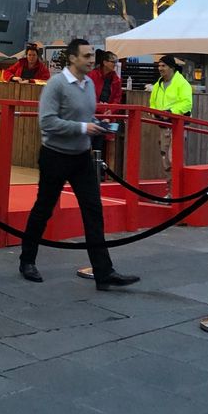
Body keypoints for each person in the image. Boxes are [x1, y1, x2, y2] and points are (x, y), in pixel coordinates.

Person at [18, 38, 140, 291]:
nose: (91, 60)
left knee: (93, 211)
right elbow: (47, 122)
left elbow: (85, 115)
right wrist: (84, 127)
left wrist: (97, 124)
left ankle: (103, 272)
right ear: (72, 58)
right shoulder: (56, 85)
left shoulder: (88, 85)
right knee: (44, 208)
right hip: (55, 155)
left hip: (81, 156)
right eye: (86, 56)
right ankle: (27, 260)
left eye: (91, 56)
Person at [149, 55, 193, 178]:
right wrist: (154, 112)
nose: (160, 68)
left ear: (172, 68)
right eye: (159, 66)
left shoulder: (182, 83)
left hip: (178, 126)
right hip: (163, 125)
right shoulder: (158, 84)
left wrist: (170, 112)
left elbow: (187, 103)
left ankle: (180, 187)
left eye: (163, 66)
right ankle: (171, 187)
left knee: (175, 158)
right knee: (166, 160)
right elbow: (152, 102)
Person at [88, 50, 122, 157]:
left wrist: (110, 112)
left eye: (116, 62)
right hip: (91, 115)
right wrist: (103, 110)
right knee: (86, 145)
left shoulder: (116, 79)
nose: (115, 64)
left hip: (106, 117)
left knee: (100, 147)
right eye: (113, 62)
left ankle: (98, 167)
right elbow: (88, 96)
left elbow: (117, 99)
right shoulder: (92, 75)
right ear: (105, 62)